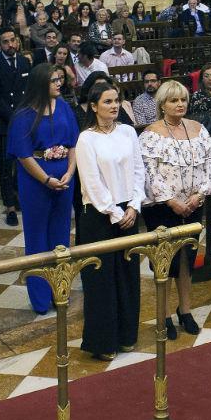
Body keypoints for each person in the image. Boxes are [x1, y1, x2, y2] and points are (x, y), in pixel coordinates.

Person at [140, 81, 211, 340]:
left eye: (183, 99)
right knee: (166, 261)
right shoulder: (151, 134)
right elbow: (148, 172)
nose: (180, 104)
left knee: (187, 258)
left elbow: (210, 164)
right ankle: (163, 315)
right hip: (163, 208)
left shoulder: (198, 129)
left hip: (193, 205)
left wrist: (199, 195)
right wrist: (171, 201)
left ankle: (185, 310)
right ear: (162, 104)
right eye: (174, 100)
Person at [76, 82, 145, 361]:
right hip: (99, 216)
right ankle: (103, 342)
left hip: (128, 211)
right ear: (94, 106)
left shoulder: (128, 132)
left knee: (128, 276)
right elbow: (92, 183)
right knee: (101, 281)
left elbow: (139, 170)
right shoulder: (86, 139)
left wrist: (134, 205)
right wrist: (115, 213)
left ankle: (127, 336)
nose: (114, 105)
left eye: (116, 100)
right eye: (107, 101)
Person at [7, 64, 78, 314]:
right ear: (40, 83)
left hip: (64, 176)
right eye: (53, 80)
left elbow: (73, 143)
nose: (59, 83)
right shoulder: (24, 115)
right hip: (36, 179)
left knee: (61, 235)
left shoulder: (65, 107)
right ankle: (40, 298)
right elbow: (24, 155)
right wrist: (46, 180)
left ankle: (60, 291)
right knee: (37, 236)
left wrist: (70, 171)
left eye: (60, 79)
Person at [0, 28, 31, 226]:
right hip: (3, 123)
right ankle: (10, 207)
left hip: (23, 122)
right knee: (6, 166)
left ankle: (20, 197)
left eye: (13, 40)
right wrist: (14, 117)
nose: (10, 44)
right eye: (6, 41)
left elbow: (28, 91)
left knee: (23, 163)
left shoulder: (24, 61)